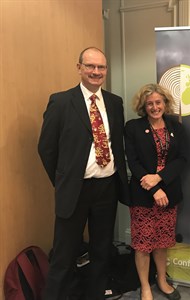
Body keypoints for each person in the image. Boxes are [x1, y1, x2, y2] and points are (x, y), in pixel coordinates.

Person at [38, 47, 129, 300]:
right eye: (90, 66)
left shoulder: (114, 102)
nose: (95, 72)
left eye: (101, 67)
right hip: (75, 190)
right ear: (79, 67)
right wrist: (64, 180)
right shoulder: (61, 101)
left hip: (107, 188)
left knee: (101, 251)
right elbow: (46, 148)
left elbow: (116, 145)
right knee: (64, 255)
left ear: (106, 71)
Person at [124, 83, 187, 300]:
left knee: (162, 242)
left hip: (169, 195)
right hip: (143, 196)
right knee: (143, 245)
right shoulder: (132, 127)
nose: (154, 107)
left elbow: (182, 159)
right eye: (149, 103)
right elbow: (133, 162)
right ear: (143, 106)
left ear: (165, 103)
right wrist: (154, 190)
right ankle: (145, 287)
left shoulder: (176, 127)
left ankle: (161, 279)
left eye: (158, 102)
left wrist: (159, 179)